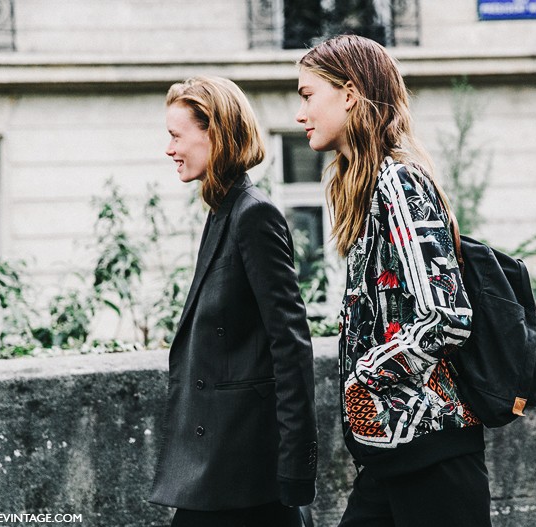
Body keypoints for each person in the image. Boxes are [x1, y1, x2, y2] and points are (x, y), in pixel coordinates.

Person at [295, 35, 491, 526]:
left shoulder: (398, 182)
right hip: (395, 457)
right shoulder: (369, 187)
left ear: (349, 94)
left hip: (431, 456)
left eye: (307, 95)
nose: (300, 113)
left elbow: (447, 318)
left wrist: (367, 374)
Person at [149, 76, 318, 527]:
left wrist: (295, 470)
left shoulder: (253, 214)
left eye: (175, 135)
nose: (169, 149)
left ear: (215, 135)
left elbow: (291, 345)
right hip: (220, 470)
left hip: (245, 474)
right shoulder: (224, 211)